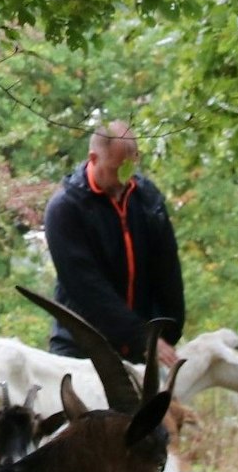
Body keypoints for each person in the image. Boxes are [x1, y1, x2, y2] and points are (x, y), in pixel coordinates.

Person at [42, 119, 185, 366]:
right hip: (81, 348)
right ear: (93, 158)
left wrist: (168, 332)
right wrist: (142, 336)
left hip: (139, 350)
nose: (123, 180)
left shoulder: (148, 201)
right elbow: (87, 288)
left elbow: (168, 272)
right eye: (116, 170)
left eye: (129, 170)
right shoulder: (66, 209)